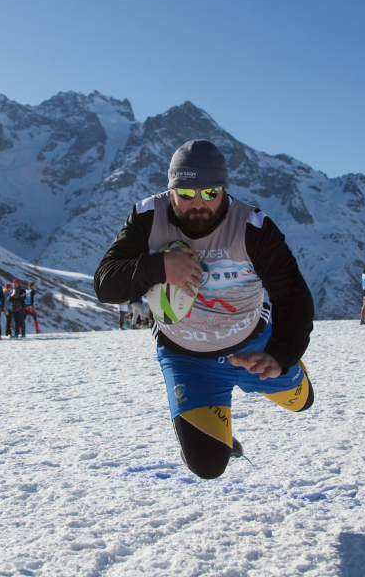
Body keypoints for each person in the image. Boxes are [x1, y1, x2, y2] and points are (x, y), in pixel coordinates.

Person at [94, 139, 315, 480]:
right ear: (171, 191)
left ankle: (284, 374)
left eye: (211, 193)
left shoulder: (252, 227)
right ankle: (210, 435)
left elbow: (293, 295)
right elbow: (105, 284)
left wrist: (281, 353)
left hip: (254, 346)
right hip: (187, 359)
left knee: (304, 403)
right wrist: (159, 267)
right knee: (208, 466)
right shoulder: (147, 217)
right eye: (186, 194)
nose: (199, 203)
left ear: (224, 189)